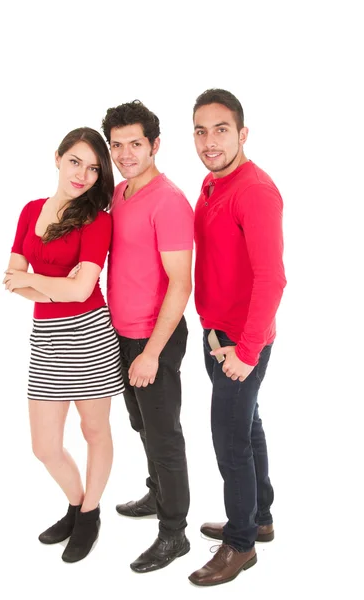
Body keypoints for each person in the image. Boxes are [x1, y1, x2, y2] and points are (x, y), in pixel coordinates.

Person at [3, 127, 124, 563]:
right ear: (57, 158)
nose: (84, 174)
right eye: (75, 161)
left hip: (90, 334)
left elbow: (81, 290)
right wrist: (55, 285)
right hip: (48, 339)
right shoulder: (31, 210)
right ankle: (77, 504)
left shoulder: (98, 219)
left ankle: (90, 514)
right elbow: (10, 279)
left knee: (95, 432)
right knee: (45, 447)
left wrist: (35, 281)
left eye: (94, 168)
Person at [188, 89, 287, 586]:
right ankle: (259, 517)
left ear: (242, 133)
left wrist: (246, 352)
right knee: (246, 428)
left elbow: (272, 279)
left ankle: (240, 543)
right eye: (201, 131)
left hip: (241, 341)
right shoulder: (212, 185)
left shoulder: (254, 190)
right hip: (218, 333)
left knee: (229, 441)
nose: (210, 141)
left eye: (221, 129)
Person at [101, 100, 194, 573]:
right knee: (141, 425)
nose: (125, 153)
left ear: (155, 145)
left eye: (135, 144)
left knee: (164, 436)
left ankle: (174, 533)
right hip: (123, 334)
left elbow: (181, 284)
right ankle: (158, 495)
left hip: (154, 338)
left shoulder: (170, 200)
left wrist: (152, 353)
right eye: (117, 145)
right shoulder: (120, 194)